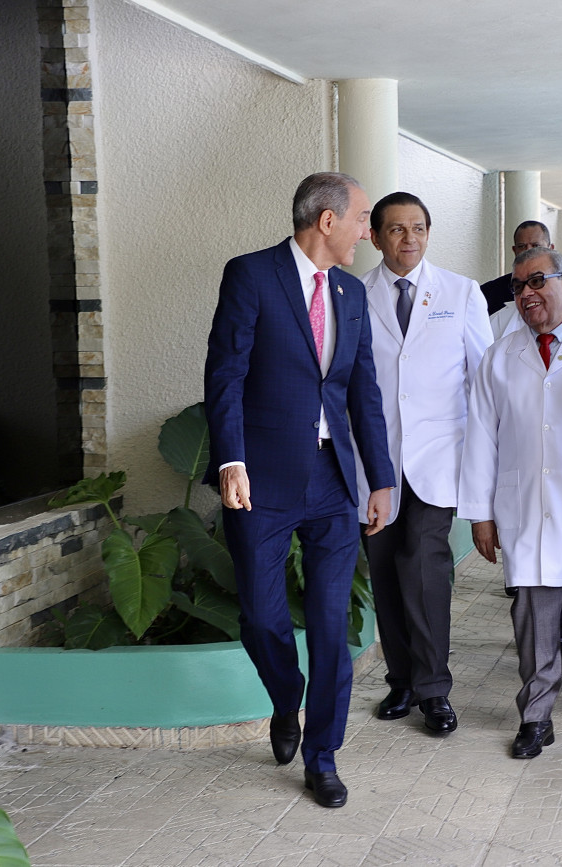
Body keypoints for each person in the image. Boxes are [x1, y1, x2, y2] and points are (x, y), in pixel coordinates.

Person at [205, 171, 396, 809]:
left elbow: (363, 390)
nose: (368, 232)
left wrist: (380, 479)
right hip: (261, 480)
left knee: (331, 624)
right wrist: (230, 460)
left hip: (334, 481)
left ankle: (323, 756)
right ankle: (287, 699)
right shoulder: (251, 275)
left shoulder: (350, 292)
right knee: (261, 618)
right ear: (327, 220)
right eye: (363, 219)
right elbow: (226, 373)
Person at [460, 247, 562, 759]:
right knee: (532, 612)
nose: (526, 293)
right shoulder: (500, 356)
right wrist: (480, 514)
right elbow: (481, 437)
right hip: (524, 503)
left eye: (537, 281)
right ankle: (536, 715)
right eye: (517, 287)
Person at [357, 191, 492, 736]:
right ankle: (402, 681)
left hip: (439, 459)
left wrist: (485, 464)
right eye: (396, 229)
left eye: (417, 228)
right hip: (376, 461)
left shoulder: (460, 293)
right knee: (386, 570)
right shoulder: (354, 293)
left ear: (429, 233)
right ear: (375, 237)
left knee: (423, 562)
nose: (408, 238)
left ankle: (434, 688)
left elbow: (483, 382)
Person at [478, 221, 562, 316]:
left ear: (550, 248)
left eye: (536, 246)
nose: (529, 251)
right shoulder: (491, 292)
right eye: (522, 246)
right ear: (514, 250)